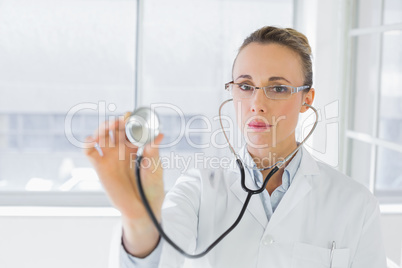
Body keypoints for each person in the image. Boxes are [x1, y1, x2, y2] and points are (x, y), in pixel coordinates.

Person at [85, 26, 387, 267]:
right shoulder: (199, 187)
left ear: (306, 99)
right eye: (245, 86)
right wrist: (139, 220)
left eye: (278, 88)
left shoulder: (355, 204)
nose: (257, 104)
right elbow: (158, 259)